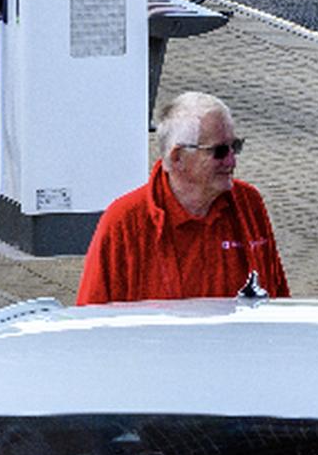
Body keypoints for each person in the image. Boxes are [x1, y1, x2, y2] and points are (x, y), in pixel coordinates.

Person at [75, 92, 291, 304]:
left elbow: (279, 303)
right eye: (220, 151)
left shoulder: (248, 203)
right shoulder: (124, 222)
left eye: (235, 147)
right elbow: (92, 323)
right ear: (178, 157)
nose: (232, 161)